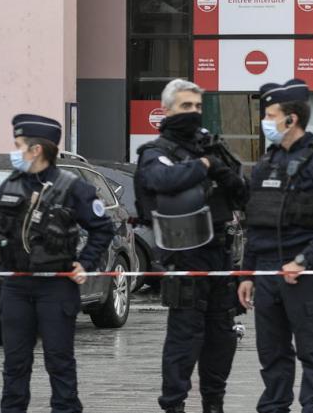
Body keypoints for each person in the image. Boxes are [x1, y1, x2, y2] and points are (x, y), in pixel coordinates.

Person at [237, 79, 313, 413]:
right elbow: (255, 222)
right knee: (271, 357)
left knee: (312, 354)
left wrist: (305, 260)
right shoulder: (266, 163)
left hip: (302, 277)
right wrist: (247, 273)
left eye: (271, 115)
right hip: (266, 275)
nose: (266, 121)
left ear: (291, 119)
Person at [0, 114, 115, 413]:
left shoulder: (73, 188)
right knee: (15, 363)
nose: (15, 151)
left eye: (19, 145)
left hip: (55, 287)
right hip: (16, 284)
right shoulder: (12, 183)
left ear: (36, 150)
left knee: (59, 361)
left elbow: (103, 228)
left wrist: (86, 263)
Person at [135, 79, 249, 413]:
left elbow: (243, 193)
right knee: (184, 342)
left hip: (221, 255)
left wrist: (226, 174)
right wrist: (203, 167)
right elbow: (162, 181)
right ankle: (174, 406)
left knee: (221, 340)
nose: (194, 113)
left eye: (198, 107)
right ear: (167, 109)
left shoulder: (212, 147)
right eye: (186, 106)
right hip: (185, 258)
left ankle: (214, 404)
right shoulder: (156, 152)